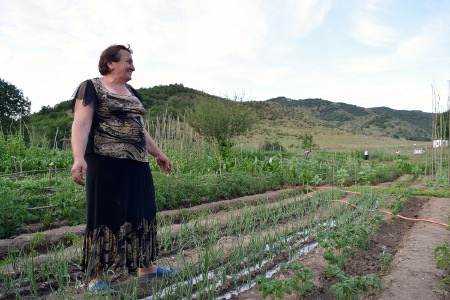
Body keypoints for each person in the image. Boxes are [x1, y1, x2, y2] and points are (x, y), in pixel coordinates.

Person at [70, 44, 176, 294]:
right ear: (110, 63)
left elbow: (141, 129)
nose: (133, 66)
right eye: (128, 61)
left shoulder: (131, 92)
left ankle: (146, 267)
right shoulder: (92, 87)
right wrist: (78, 157)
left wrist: (158, 153)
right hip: (105, 162)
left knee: (143, 212)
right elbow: (81, 124)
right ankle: (96, 277)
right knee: (104, 216)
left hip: (137, 163)